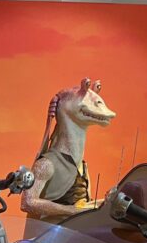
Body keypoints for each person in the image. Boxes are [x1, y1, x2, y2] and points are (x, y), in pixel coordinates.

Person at [21, 78, 115, 222]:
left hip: (74, 232)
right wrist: (72, 211)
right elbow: (28, 202)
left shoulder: (82, 166)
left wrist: (105, 202)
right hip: (48, 235)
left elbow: (82, 205)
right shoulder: (46, 164)